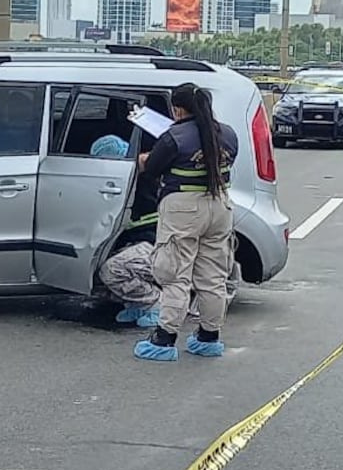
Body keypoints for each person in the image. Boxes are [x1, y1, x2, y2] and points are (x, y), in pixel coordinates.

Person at [133, 83, 238, 362]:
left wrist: (143, 158)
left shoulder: (174, 136)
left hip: (183, 210)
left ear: (177, 109)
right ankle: (208, 336)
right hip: (220, 206)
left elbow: (152, 168)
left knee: (175, 274)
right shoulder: (227, 134)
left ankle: (165, 338)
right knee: (213, 276)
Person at [90, 134, 163, 328]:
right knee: (98, 273)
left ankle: (156, 302)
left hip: (155, 244)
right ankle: (136, 302)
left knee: (112, 271)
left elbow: (143, 162)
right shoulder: (130, 183)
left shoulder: (143, 182)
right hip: (141, 243)